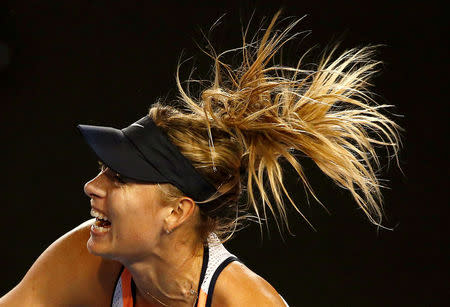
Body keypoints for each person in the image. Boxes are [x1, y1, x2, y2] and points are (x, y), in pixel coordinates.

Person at [0, 11, 401, 307]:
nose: (92, 186)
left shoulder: (244, 302)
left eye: (119, 177)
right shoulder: (89, 258)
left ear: (176, 211)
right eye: (102, 170)